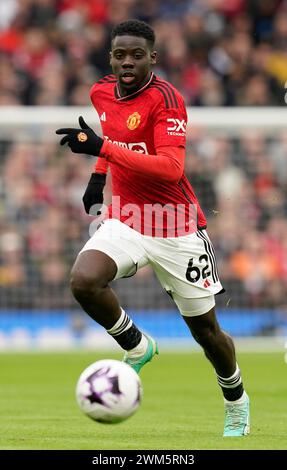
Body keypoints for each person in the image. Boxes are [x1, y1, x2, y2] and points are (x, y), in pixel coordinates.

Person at [56, 19, 250, 437]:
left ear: (152, 58)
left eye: (137, 54)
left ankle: (235, 399)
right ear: (110, 57)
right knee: (83, 280)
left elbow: (170, 167)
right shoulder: (100, 91)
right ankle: (138, 346)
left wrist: (102, 147)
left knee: (206, 332)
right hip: (127, 217)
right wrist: (97, 176)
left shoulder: (168, 100)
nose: (127, 61)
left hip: (176, 227)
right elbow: (112, 139)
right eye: (120, 54)